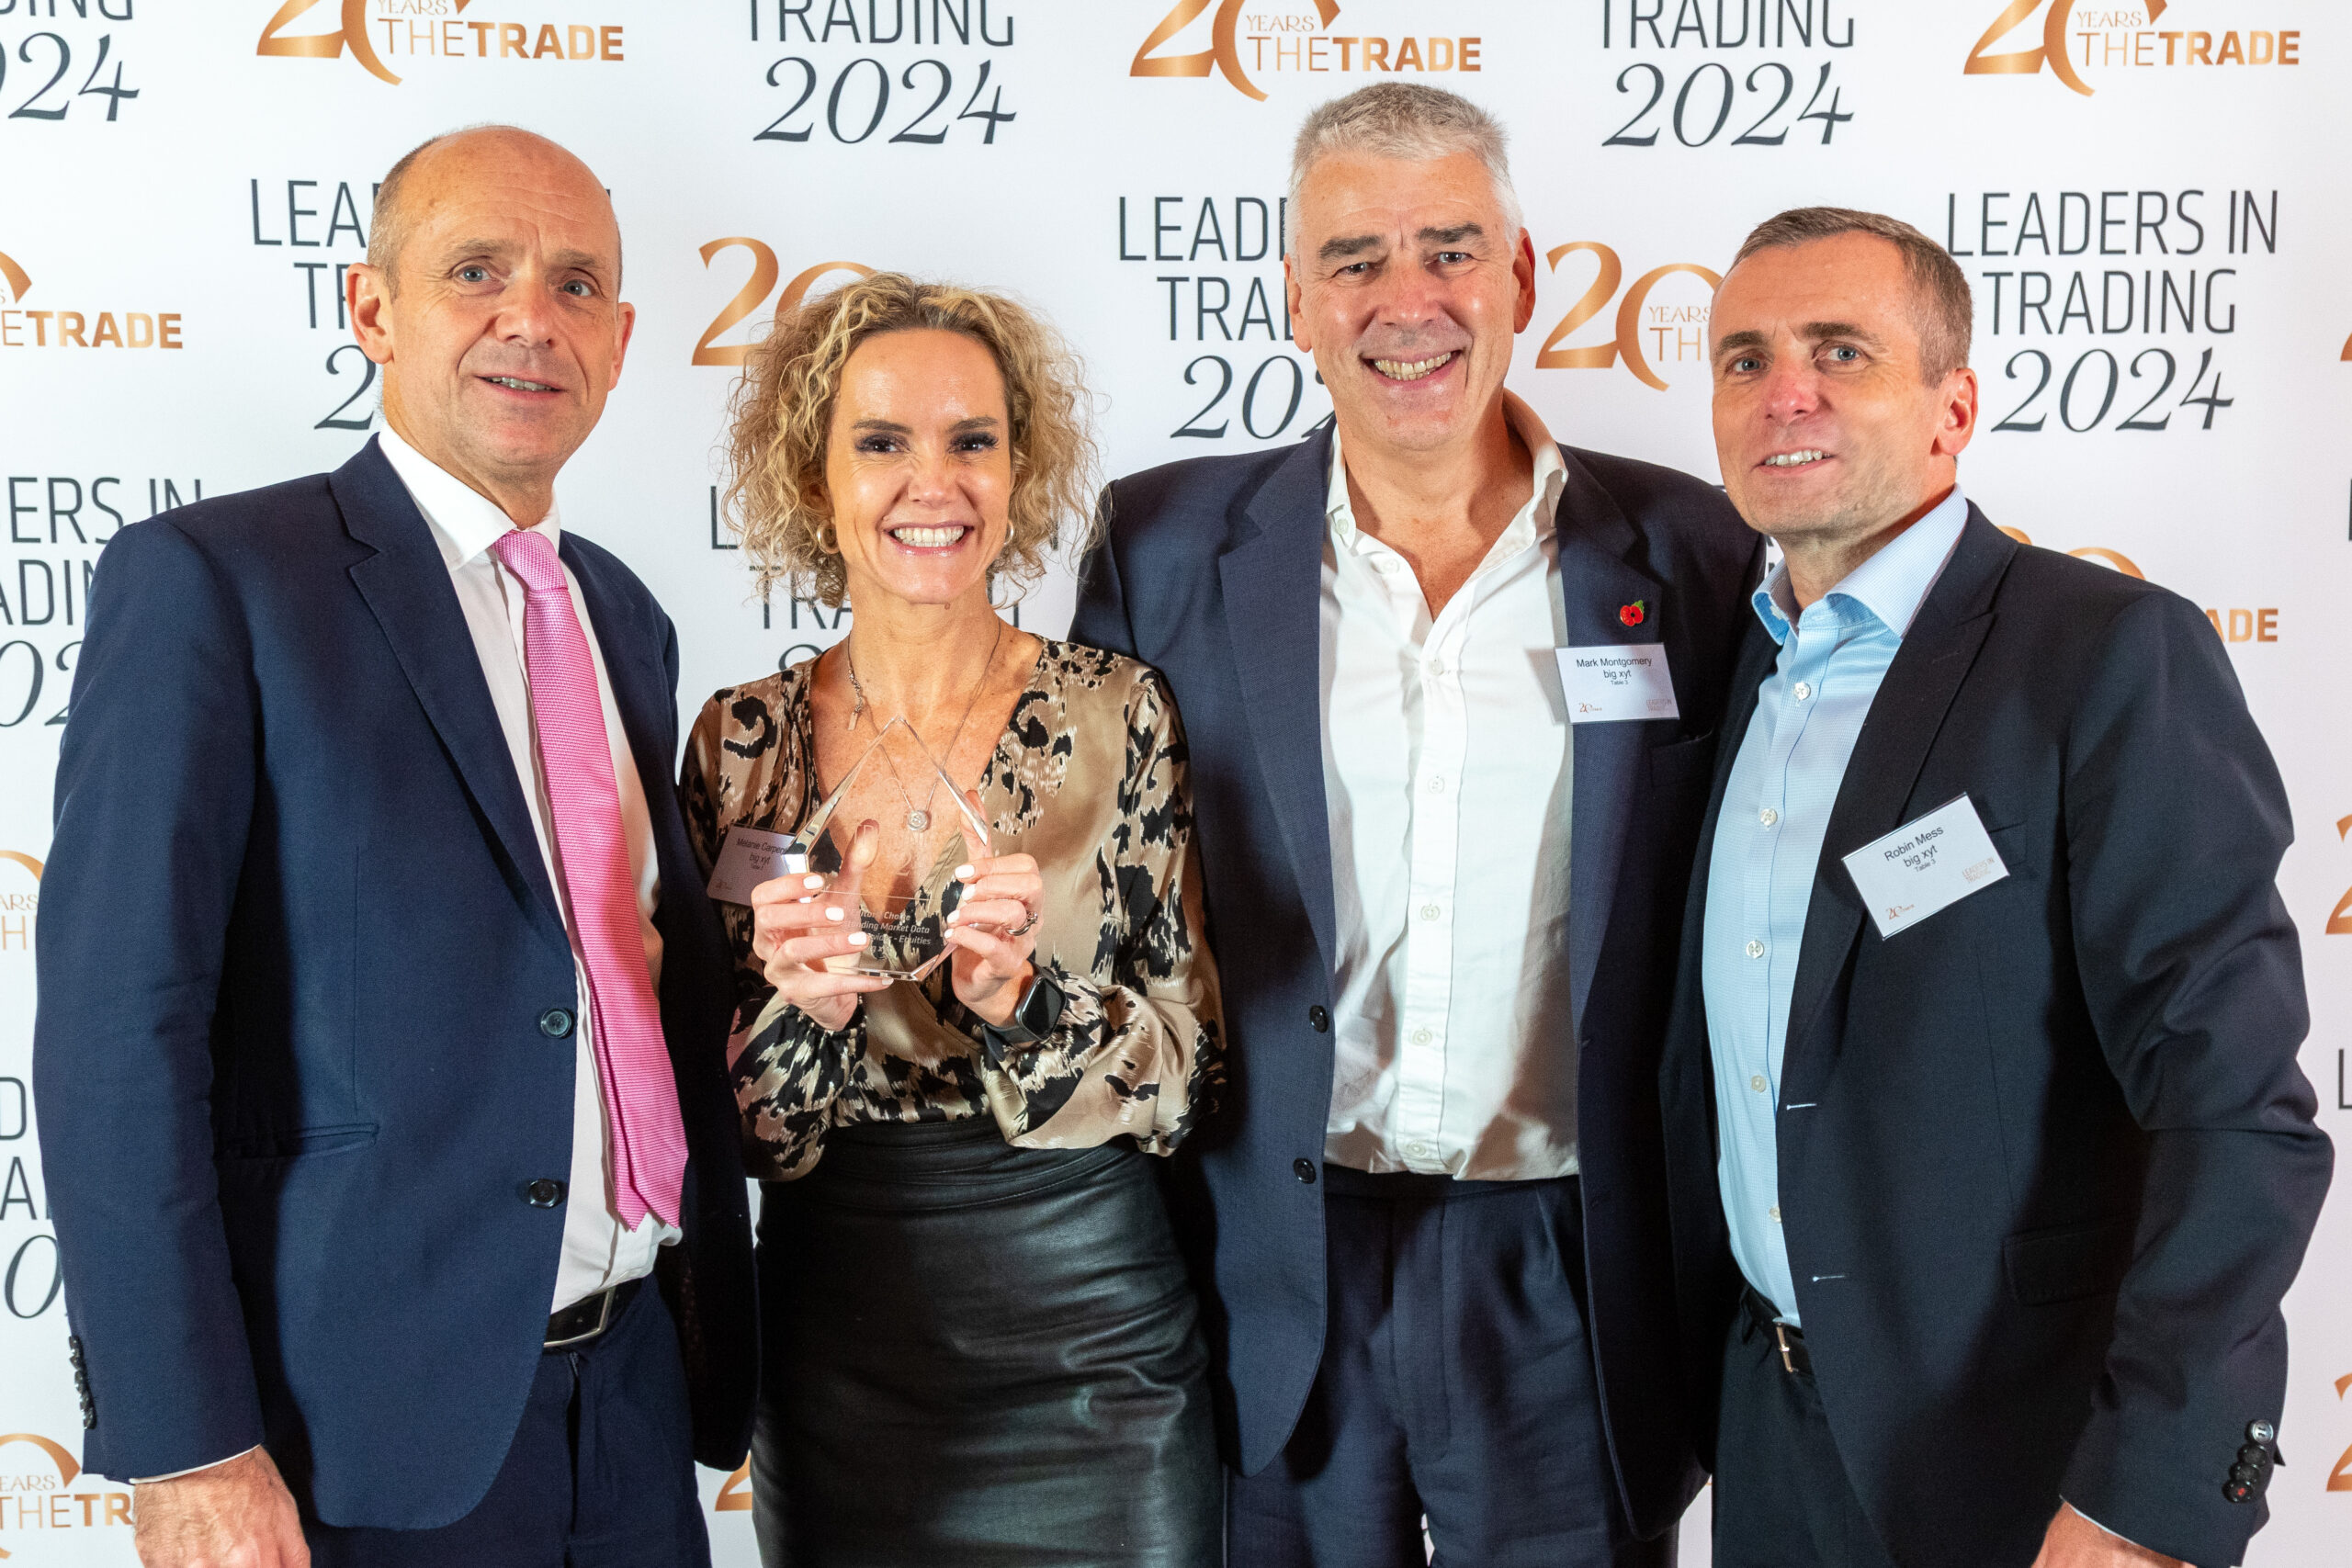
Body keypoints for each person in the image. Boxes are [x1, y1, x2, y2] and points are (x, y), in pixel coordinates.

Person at [32, 126, 754, 1567]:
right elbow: (120, 1036)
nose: (529, 320)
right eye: (476, 271)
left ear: (620, 343)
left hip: (634, 1398)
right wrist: (188, 1446)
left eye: (575, 285)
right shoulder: (216, 584)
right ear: (372, 308)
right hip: (356, 1431)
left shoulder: (623, 615)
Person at [1072, 83, 1760, 1565]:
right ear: (1294, 299)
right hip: (1274, 1263)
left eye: (1451, 250)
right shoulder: (1160, 548)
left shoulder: (1695, 552)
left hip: (1572, 1271)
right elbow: (1103, 914)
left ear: (1522, 277)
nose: (1410, 303)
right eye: (1355, 260)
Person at [1660, 206, 2332, 1568]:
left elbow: (2233, 1109)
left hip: (2028, 1463)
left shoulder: (2104, 655)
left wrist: (2142, 1494)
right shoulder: (1734, 670)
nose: (1784, 393)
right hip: (1770, 1435)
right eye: (1744, 359)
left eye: (1840, 351)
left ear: (1952, 409)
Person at [683, 271, 1225, 1566]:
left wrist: (1025, 1005)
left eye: (971, 440)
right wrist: (801, 1016)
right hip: (837, 1345)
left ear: (1018, 469)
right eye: (882, 443)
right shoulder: (740, 741)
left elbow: (1189, 1076)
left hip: (1095, 1334)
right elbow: (714, 1136)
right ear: (813, 478)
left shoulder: (1117, 713)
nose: (934, 483)